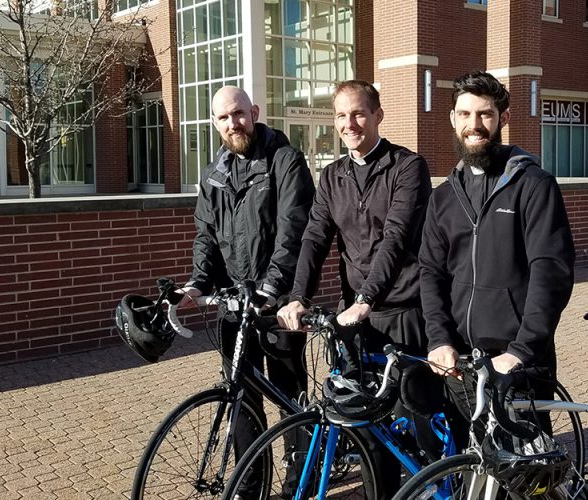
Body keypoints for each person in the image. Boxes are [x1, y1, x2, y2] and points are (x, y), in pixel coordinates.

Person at [277, 79, 432, 496]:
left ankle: (442, 482)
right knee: (368, 430)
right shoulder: (332, 176)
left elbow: (396, 239)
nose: (350, 123)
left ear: (378, 115)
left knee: (417, 424)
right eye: (342, 115)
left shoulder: (407, 167)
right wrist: (298, 296)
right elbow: (314, 237)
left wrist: (367, 298)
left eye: (359, 113)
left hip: (404, 312)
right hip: (357, 319)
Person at [419, 71, 575, 441]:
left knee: (526, 481)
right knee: (468, 468)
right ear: (453, 119)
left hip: (516, 363)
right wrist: (439, 340)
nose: (474, 125)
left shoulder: (533, 186)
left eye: (485, 114)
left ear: (503, 119)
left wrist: (520, 351)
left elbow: (550, 271)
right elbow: (430, 273)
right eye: (465, 114)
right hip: (460, 363)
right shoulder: (444, 197)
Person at [179, 85, 315, 498]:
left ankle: (301, 482)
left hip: (275, 304)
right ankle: (250, 487)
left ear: (253, 112)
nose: (233, 123)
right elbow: (206, 236)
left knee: (291, 395)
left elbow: (293, 230)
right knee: (241, 397)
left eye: (239, 113)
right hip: (234, 305)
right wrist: (198, 282)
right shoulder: (213, 174)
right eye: (223, 117)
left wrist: (273, 286)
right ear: (214, 123)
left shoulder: (285, 160)